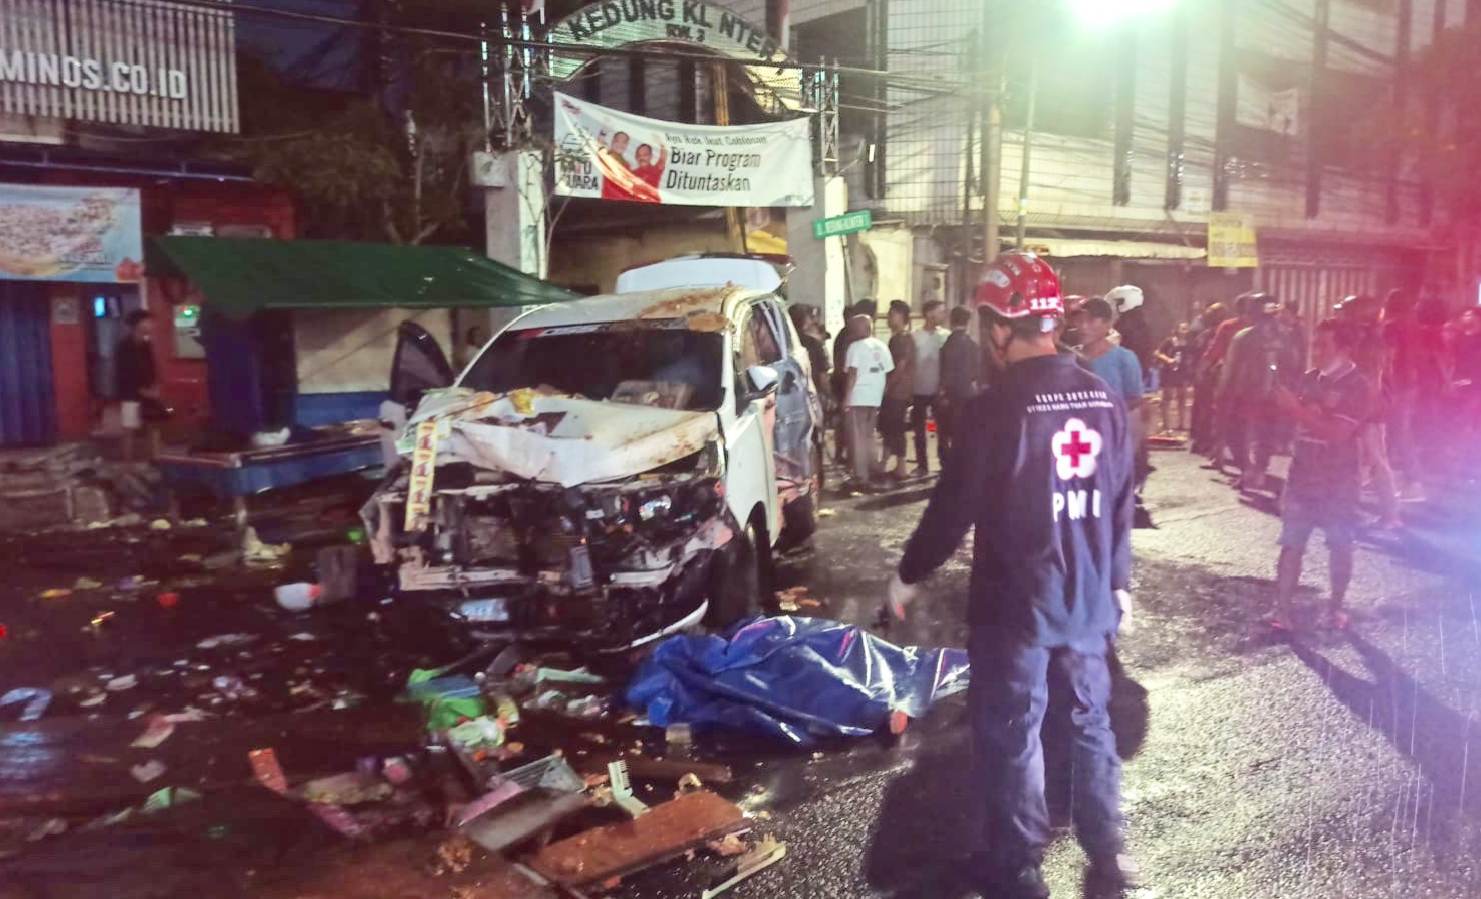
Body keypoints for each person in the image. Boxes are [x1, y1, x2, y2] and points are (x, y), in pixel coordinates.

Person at [886, 251, 1138, 899]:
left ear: (1001, 325)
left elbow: (953, 507)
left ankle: (1017, 866)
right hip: (1084, 595)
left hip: (1016, 601)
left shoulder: (995, 407)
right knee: (1088, 717)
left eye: (985, 323)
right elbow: (1119, 500)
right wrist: (1117, 579)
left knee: (1013, 726)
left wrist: (909, 573)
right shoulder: (1103, 396)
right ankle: (1106, 846)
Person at [1270, 318, 1373, 631]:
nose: (1316, 351)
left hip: (1338, 480)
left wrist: (1295, 409)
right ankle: (1282, 612)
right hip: (1302, 475)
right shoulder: (1310, 378)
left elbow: (1339, 434)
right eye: (1315, 344)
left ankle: (1335, 608)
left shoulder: (1358, 386)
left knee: (1340, 545)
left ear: (1344, 348)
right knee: (1291, 545)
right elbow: (1300, 423)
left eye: (1323, 345)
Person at [1217, 293, 1297, 493]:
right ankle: (1259, 471)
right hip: (1274, 396)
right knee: (1266, 436)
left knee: (1237, 434)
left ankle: (1247, 472)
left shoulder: (1243, 337)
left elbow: (1230, 370)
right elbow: (1293, 365)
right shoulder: (1285, 336)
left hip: (1245, 395)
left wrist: (1223, 394)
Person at [1339, 294, 1402, 529]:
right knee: (1357, 461)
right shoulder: (1363, 337)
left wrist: (1363, 411)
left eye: (1346, 310)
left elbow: (1372, 380)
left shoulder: (1371, 342)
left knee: (1376, 460)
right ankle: (1352, 509)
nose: (1341, 314)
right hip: (1361, 408)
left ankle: (1391, 515)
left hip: (1368, 410)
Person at [843, 313, 893, 489]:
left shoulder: (855, 347)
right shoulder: (882, 346)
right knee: (869, 436)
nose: (852, 331)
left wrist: (846, 399)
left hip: (858, 397)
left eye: (854, 327)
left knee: (857, 438)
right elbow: (887, 372)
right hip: (874, 398)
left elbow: (852, 375)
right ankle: (873, 470)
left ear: (862, 328)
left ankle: (861, 476)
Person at [832, 299, 877, 464]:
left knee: (847, 423)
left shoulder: (844, 336)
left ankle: (844, 453)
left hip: (845, 382)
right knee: (849, 424)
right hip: (847, 383)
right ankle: (849, 456)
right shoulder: (849, 337)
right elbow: (849, 366)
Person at [115, 309, 160, 463]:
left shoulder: (147, 345)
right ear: (137, 324)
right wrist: (142, 390)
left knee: (153, 427)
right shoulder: (124, 346)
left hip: (149, 394)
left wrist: (154, 388)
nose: (151, 325)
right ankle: (128, 463)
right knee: (129, 429)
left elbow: (152, 368)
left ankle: (155, 459)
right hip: (130, 394)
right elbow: (123, 373)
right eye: (147, 321)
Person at [910, 299, 948, 475]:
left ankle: (945, 463)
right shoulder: (915, 336)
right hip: (918, 388)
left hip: (938, 390)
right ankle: (922, 465)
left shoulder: (945, 336)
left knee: (942, 429)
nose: (943, 315)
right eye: (940, 311)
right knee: (919, 430)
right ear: (929, 314)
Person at [879, 300, 917, 481]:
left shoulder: (901, 339)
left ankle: (901, 466)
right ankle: (884, 461)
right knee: (889, 427)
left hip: (897, 392)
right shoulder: (899, 338)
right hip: (897, 391)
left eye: (892, 314)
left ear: (902, 317)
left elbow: (900, 366)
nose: (888, 317)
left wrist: (887, 386)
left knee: (896, 428)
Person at [939, 304, 982, 460]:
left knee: (946, 430)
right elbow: (977, 371)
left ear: (951, 321)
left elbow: (946, 370)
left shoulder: (948, 344)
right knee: (966, 429)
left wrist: (942, 392)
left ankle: (948, 462)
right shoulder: (973, 345)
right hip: (969, 392)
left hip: (951, 394)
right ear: (968, 322)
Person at [1188, 302, 1230, 454]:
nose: (1208, 314)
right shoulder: (1204, 333)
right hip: (1202, 376)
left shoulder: (1223, 332)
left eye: (1213, 312)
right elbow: (1194, 352)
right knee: (1200, 407)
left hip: (1213, 377)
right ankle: (1200, 439)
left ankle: (1208, 441)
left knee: (1210, 410)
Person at [1155, 322, 1193, 433]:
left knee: (1182, 398)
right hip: (1169, 372)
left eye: (1187, 329)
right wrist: (1168, 360)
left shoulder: (1188, 343)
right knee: (1167, 397)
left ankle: (1181, 424)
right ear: (1177, 329)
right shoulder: (1169, 341)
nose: (1185, 331)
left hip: (1183, 372)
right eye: (1183, 329)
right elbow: (1158, 353)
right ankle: (1166, 424)